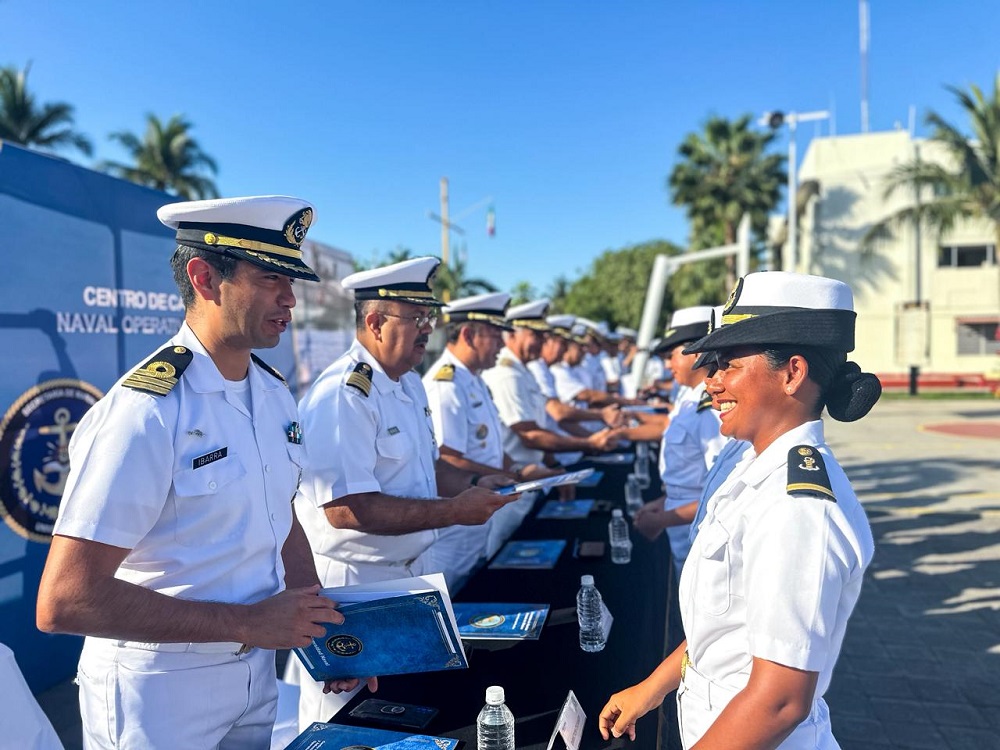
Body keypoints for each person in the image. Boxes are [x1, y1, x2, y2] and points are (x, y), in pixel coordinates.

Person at [36, 196, 364, 749]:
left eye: (292, 281)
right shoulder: (146, 411)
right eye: (270, 279)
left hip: (253, 672)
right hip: (158, 695)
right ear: (204, 277)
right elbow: (65, 599)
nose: (290, 298)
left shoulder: (274, 395)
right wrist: (245, 624)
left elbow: (280, 522)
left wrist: (325, 636)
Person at [599, 271, 882, 749]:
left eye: (729, 364)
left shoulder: (797, 506)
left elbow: (780, 700)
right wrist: (651, 689)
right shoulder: (744, 457)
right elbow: (724, 626)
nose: (712, 382)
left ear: (792, 373)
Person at [290, 256, 515, 728]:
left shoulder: (407, 384)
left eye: (427, 317)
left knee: (414, 716)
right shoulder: (343, 395)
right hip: (356, 586)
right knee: (350, 725)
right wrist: (455, 512)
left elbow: (426, 468)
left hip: (411, 575)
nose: (428, 329)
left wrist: (475, 484)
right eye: (416, 318)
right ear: (374, 322)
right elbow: (347, 509)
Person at [421, 292, 558, 588]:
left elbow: (493, 446)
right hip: (452, 536)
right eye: (496, 335)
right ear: (469, 335)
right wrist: (515, 475)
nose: (501, 344)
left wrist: (520, 469)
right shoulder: (446, 385)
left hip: (477, 526)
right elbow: (447, 458)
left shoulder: (475, 379)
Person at [632, 306, 728, 574]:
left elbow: (724, 495)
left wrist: (662, 519)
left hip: (701, 534)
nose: (666, 365)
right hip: (682, 523)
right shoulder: (690, 397)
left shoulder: (711, 409)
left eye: (671, 355)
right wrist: (663, 501)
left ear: (695, 352)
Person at [482, 300, 623, 469]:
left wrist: (554, 466)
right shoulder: (508, 374)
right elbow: (531, 435)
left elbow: (539, 426)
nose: (542, 342)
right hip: (516, 480)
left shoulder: (524, 371)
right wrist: (590, 442)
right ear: (512, 335)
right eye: (536, 335)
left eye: (544, 336)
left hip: (534, 474)